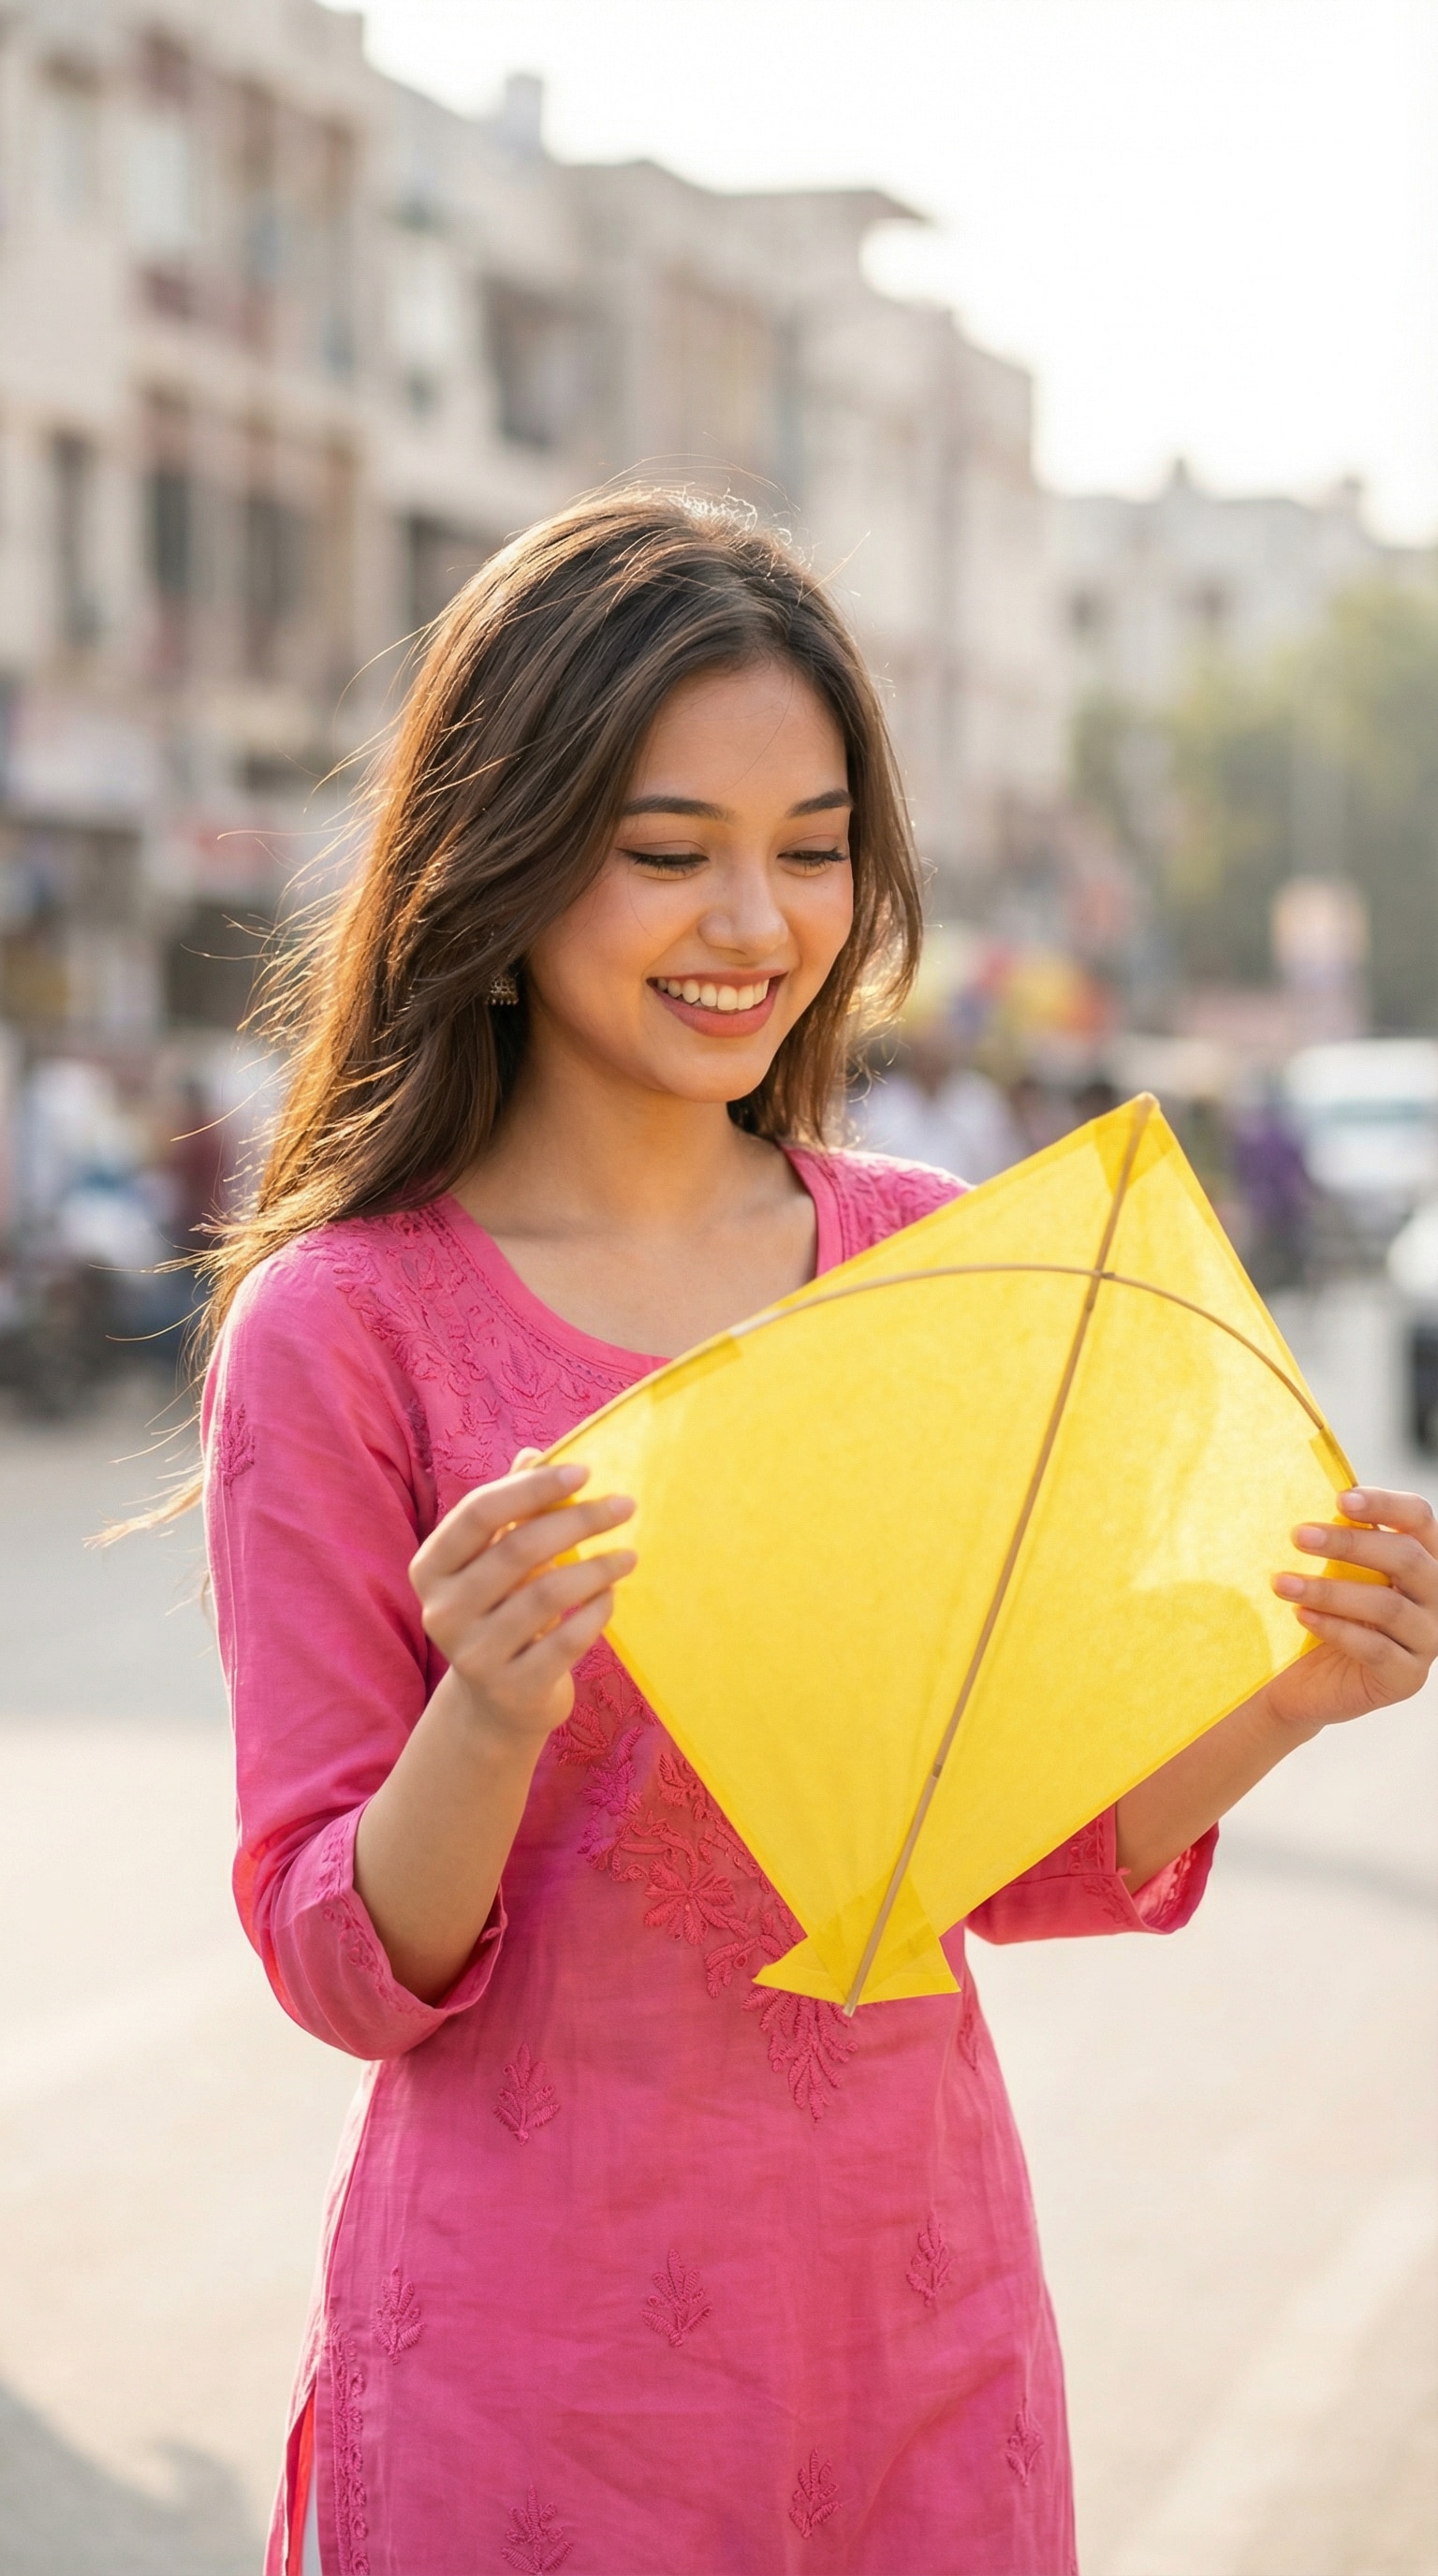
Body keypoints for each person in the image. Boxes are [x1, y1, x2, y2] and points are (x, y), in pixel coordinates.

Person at [197, 493, 1438, 2576]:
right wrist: (485, 1714)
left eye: (813, 845)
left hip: (916, 2317)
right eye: (668, 849)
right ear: (505, 850)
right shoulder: (342, 1327)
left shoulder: (933, 1269)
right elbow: (344, 1961)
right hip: (532, 2363)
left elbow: (1010, 1845)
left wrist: (1287, 1691)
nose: (754, 921)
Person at [855, 1024, 1022, 1182]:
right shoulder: (882, 1102)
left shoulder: (980, 1099)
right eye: (925, 1059)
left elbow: (1002, 1159)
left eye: (937, 1059)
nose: (931, 1066)